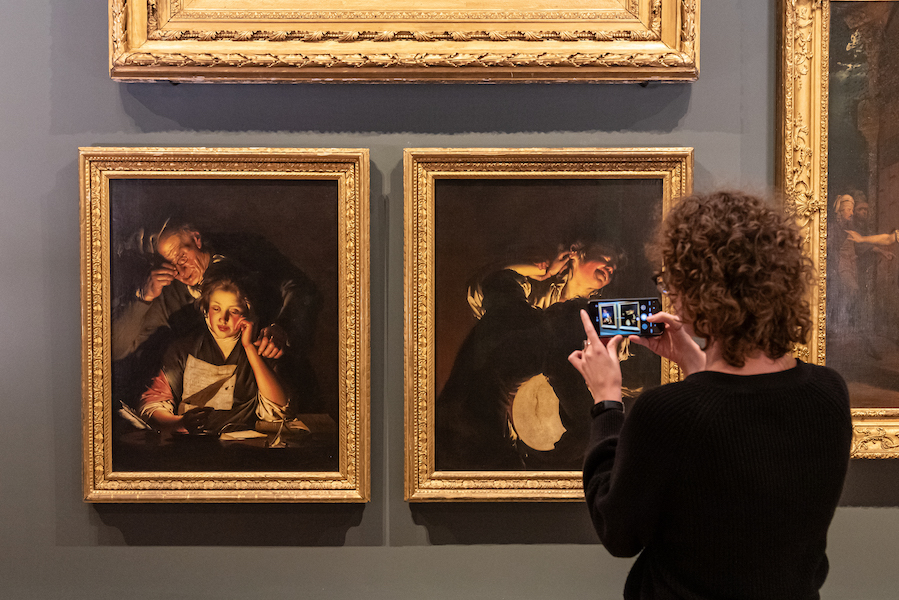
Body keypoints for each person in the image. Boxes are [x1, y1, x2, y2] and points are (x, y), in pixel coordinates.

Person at [568, 191, 852, 599]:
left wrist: (607, 401)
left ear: (698, 288)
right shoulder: (828, 393)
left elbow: (618, 531)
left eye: (671, 280)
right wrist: (698, 366)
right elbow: (749, 493)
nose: (669, 293)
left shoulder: (667, 412)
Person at [436, 241, 635, 471]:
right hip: (476, 441)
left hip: (465, 433)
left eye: (614, 268)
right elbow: (583, 424)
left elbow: (498, 280)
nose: (610, 268)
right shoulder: (549, 329)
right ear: (576, 254)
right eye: (604, 258)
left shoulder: (516, 308)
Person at [111, 220, 322, 414]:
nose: (181, 271)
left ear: (196, 239)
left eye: (182, 257)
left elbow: (303, 289)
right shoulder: (168, 295)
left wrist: (283, 327)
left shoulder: (248, 251)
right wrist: (143, 298)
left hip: (279, 390)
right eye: (172, 266)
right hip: (216, 409)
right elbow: (116, 348)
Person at [139, 265, 288, 434]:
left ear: (249, 313)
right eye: (216, 308)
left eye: (234, 311)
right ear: (206, 309)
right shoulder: (183, 348)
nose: (223, 319)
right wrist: (180, 423)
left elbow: (279, 412)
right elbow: (152, 405)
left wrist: (249, 348)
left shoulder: (261, 349)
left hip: (243, 449)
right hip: (189, 446)